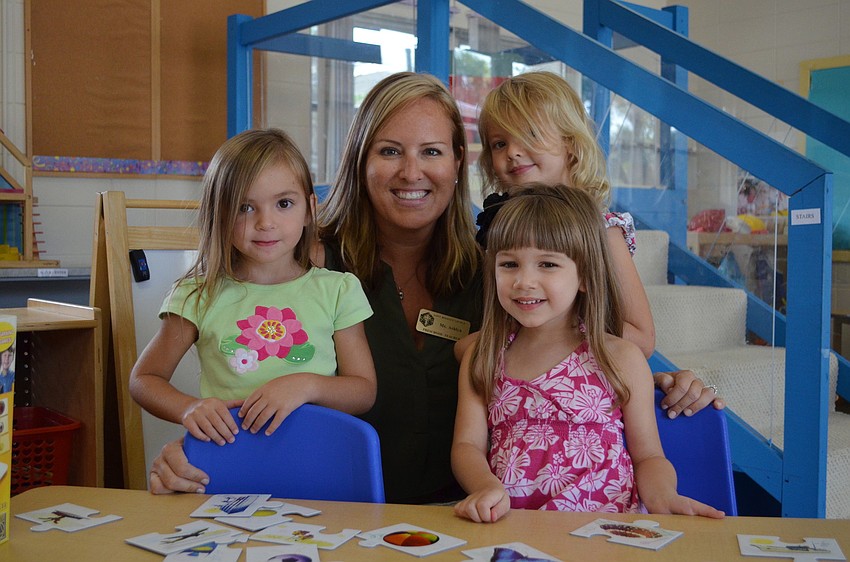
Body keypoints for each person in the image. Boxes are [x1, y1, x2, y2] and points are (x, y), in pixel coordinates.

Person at [147, 72, 721, 499]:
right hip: (323, 512)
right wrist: (199, 448)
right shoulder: (303, 265)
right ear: (358, 161)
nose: (411, 171)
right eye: (389, 151)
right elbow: (250, 371)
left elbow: (574, 361)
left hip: (466, 521)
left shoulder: (500, 276)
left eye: (432, 152)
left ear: (458, 164)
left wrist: (659, 380)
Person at [451, 185, 725, 522]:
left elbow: (649, 457)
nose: (523, 281)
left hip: (606, 533)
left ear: (584, 276)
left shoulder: (621, 357)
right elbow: (467, 446)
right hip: (512, 531)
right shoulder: (483, 355)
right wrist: (483, 487)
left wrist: (663, 496)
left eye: (548, 264)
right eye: (509, 264)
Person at [472, 70, 723, 417]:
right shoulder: (497, 232)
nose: (514, 152)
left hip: (581, 398)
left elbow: (641, 337)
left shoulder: (602, 231)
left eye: (530, 134)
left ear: (570, 145)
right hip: (511, 392)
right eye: (500, 143)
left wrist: (559, 322)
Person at [130, 128, 377, 449]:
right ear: (220, 213)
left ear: (310, 208)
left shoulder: (339, 290)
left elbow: (363, 391)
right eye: (245, 207)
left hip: (317, 458)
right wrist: (189, 408)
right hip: (230, 461)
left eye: (284, 203)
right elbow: (144, 380)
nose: (266, 222)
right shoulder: (197, 295)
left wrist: (306, 385)